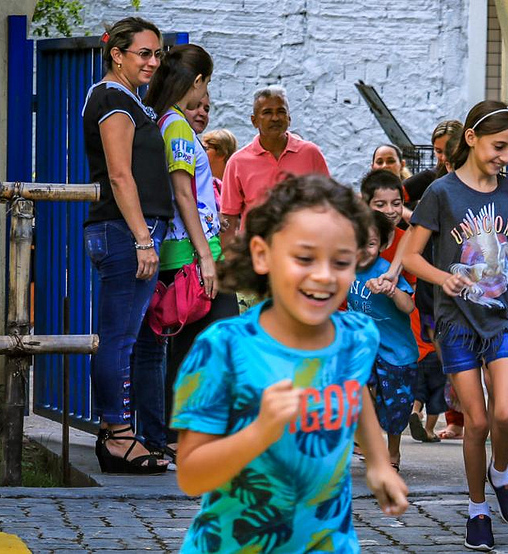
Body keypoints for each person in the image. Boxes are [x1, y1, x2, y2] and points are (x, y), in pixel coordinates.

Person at [172, 175, 408, 552]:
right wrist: (259, 431)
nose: (324, 275)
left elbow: (354, 388)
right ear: (263, 254)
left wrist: (379, 462)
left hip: (329, 543)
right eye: (304, 257)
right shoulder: (224, 349)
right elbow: (191, 475)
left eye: (341, 261)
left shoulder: (356, 337)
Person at [401, 100, 508, 550]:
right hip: (457, 324)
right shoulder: (442, 193)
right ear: (471, 138)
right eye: (499, 147)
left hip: (503, 317)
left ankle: (501, 471)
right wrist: (442, 277)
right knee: (478, 420)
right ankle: (477, 509)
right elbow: (411, 255)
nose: (505, 158)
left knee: (507, 413)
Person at [81, 16, 172, 473]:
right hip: (124, 231)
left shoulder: (128, 98)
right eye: (144, 53)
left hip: (129, 230)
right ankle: (117, 437)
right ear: (117, 54)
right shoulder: (113, 99)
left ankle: (117, 434)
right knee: (119, 339)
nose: (153, 62)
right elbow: (119, 174)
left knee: (125, 337)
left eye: (158, 54)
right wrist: (142, 238)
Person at [144, 45, 240, 463]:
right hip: (192, 253)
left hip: (181, 252)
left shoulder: (164, 121)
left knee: (188, 349)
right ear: (197, 80)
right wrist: (205, 256)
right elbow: (184, 193)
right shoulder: (177, 127)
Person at [347, 210, 417, 470]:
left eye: (371, 243)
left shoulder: (387, 270)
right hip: (365, 350)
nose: (363, 250)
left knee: (396, 408)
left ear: (383, 245)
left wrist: (392, 290)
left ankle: (393, 454)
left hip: (396, 354)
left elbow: (408, 306)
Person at [220, 85, 330, 245]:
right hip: (256, 255)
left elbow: (328, 205)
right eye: (267, 112)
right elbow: (229, 219)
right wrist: (230, 261)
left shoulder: (311, 153)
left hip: (304, 251)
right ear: (254, 120)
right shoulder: (237, 162)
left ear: (289, 118)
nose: (275, 118)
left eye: (281, 112)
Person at [404, 119, 464, 206]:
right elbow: (388, 196)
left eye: (449, 150)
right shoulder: (428, 178)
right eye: (439, 151)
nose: (444, 157)